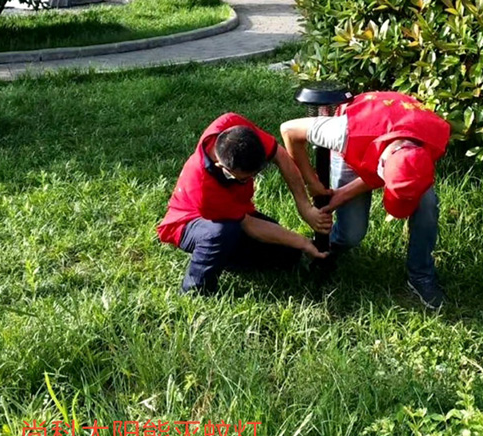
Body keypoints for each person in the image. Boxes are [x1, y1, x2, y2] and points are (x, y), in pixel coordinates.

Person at [280, 91, 451, 309]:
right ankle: (320, 251)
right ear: (381, 166)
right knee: (351, 233)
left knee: (426, 205)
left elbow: (398, 172)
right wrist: (311, 181)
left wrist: (345, 193)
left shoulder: (437, 133)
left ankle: (421, 274)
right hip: (358, 142)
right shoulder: (344, 132)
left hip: (406, 140)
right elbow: (288, 130)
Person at [157, 113, 332, 295]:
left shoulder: (232, 126)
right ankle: (194, 289)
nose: (252, 181)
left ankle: (227, 255)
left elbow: (279, 154)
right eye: (245, 179)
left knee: (288, 254)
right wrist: (303, 242)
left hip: (237, 214)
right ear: (223, 168)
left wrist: (305, 207)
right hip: (188, 222)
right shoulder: (203, 187)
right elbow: (249, 225)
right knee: (222, 233)